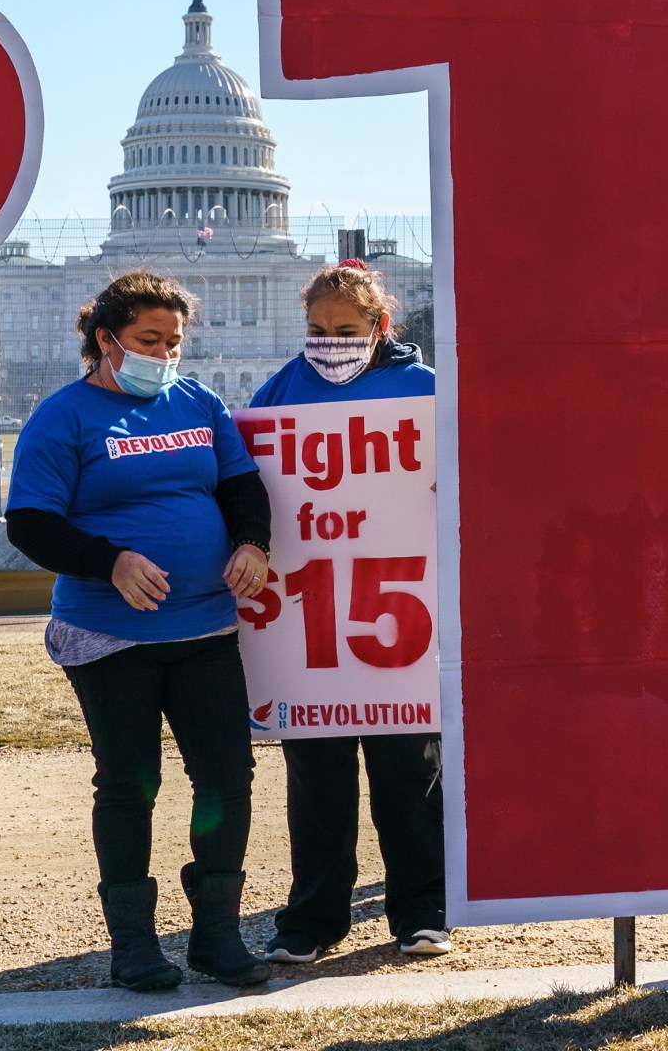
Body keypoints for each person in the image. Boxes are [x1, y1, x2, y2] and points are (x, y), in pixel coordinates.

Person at [4, 271, 276, 991]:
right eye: (149, 341)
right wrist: (110, 561)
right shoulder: (62, 416)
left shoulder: (197, 400)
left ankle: (217, 936)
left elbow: (239, 484)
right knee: (131, 782)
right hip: (108, 634)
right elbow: (31, 522)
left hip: (204, 627)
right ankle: (134, 947)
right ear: (106, 339)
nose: (165, 355)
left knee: (226, 776)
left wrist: (252, 542)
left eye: (174, 342)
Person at [250, 260, 450, 963]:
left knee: (410, 777)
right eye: (316, 330)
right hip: (313, 625)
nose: (329, 342)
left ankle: (424, 911)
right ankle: (310, 921)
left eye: (345, 330)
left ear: (380, 328)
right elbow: (249, 483)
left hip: (399, 618)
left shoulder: (425, 391)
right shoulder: (279, 390)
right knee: (317, 784)